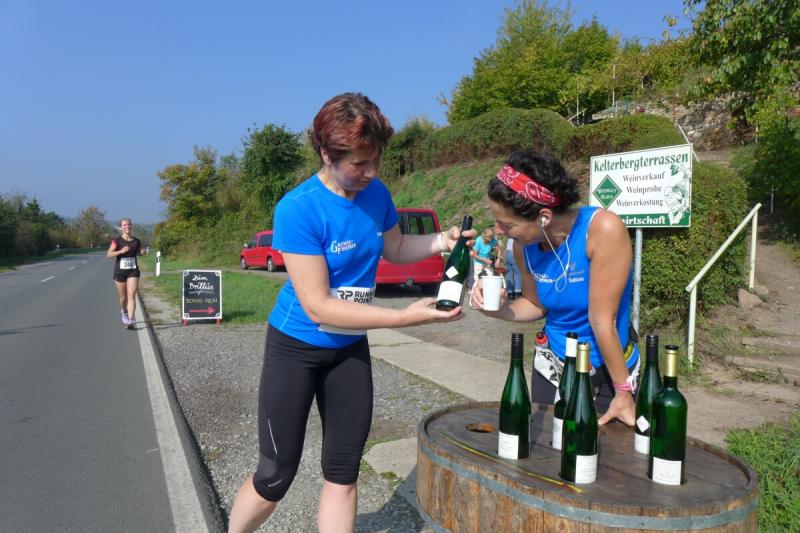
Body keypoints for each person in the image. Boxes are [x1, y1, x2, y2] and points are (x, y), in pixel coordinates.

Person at [228, 93, 474, 533]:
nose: (371, 172)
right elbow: (319, 306)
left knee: (343, 474)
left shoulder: (376, 193)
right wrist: (406, 318)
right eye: (360, 163)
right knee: (275, 475)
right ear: (327, 153)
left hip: (348, 350)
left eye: (376, 160)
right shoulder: (298, 208)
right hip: (296, 347)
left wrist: (443, 240)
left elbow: (396, 247)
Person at [471, 150, 640, 426]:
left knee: (604, 451)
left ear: (544, 217)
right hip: (553, 365)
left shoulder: (602, 229)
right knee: (547, 446)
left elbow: (602, 320)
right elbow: (535, 304)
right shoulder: (523, 246)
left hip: (608, 371)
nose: (498, 230)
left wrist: (623, 391)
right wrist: (499, 310)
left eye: (506, 224)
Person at [106, 218, 146, 330]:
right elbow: (108, 254)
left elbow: (139, 252)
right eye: (124, 225)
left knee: (131, 295)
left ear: (131, 226)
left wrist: (142, 253)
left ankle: (131, 320)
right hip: (120, 272)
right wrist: (121, 251)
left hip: (133, 271)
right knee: (123, 298)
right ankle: (124, 312)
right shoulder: (117, 241)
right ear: (121, 227)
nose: (127, 226)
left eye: (129, 224)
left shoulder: (136, 241)